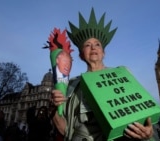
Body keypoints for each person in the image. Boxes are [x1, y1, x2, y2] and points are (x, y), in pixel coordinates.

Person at [50, 8, 154, 141]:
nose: (93, 48)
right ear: (82, 55)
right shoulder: (72, 86)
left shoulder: (122, 74)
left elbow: (142, 113)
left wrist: (147, 132)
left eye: (97, 45)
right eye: (87, 45)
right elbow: (65, 130)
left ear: (103, 53)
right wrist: (54, 108)